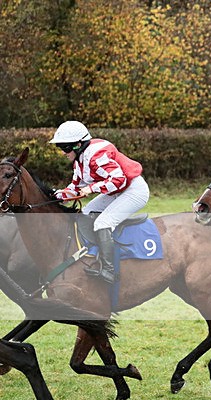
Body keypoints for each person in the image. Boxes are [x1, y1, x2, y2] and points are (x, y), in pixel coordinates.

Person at [49, 120, 150, 283]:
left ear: (78, 145)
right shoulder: (79, 161)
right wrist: (55, 196)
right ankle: (93, 253)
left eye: (65, 147)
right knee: (86, 213)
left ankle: (110, 271)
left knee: (103, 223)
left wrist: (92, 188)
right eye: (60, 147)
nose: (62, 152)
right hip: (117, 191)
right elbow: (74, 189)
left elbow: (119, 179)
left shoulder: (96, 155)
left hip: (133, 190)